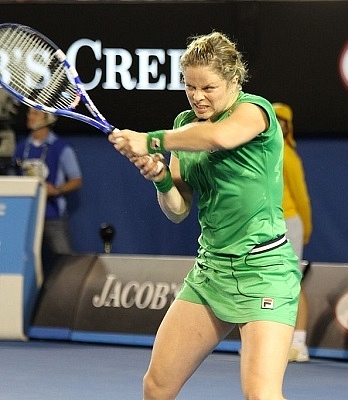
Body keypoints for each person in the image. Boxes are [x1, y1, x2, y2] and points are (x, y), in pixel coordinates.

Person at [108, 31, 301, 400]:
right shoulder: (184, 122)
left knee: (261, 394)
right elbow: (178, 210)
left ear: (234, 80)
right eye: (189, 86)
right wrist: (161, 178)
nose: (197, 96)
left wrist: (150, 140)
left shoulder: (254, 111)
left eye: (208, 87)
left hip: (264, 272)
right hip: (211, 272)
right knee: (157, 386)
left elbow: (218, 138)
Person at [13, 108, 83, 273]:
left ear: (48, 118)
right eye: (29, 113)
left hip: (52, 214)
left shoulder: (61, 148)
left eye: (35, 114)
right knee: (21, 260)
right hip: (25, 215)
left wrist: (56, 190)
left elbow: (76, 180)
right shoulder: (21, 148)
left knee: (64, 261)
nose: (29, 117)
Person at [272, 102, 313, 362]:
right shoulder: (262, 151)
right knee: (270, 283)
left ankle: (299, 344)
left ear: (288, 127)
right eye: (272, 118)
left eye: (281, 120)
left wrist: (305, 229)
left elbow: (301, 196)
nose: (276, 123)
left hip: (289, 221)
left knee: (291, 281)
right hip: (268, 222)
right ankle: (274, 344)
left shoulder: (288, 155)